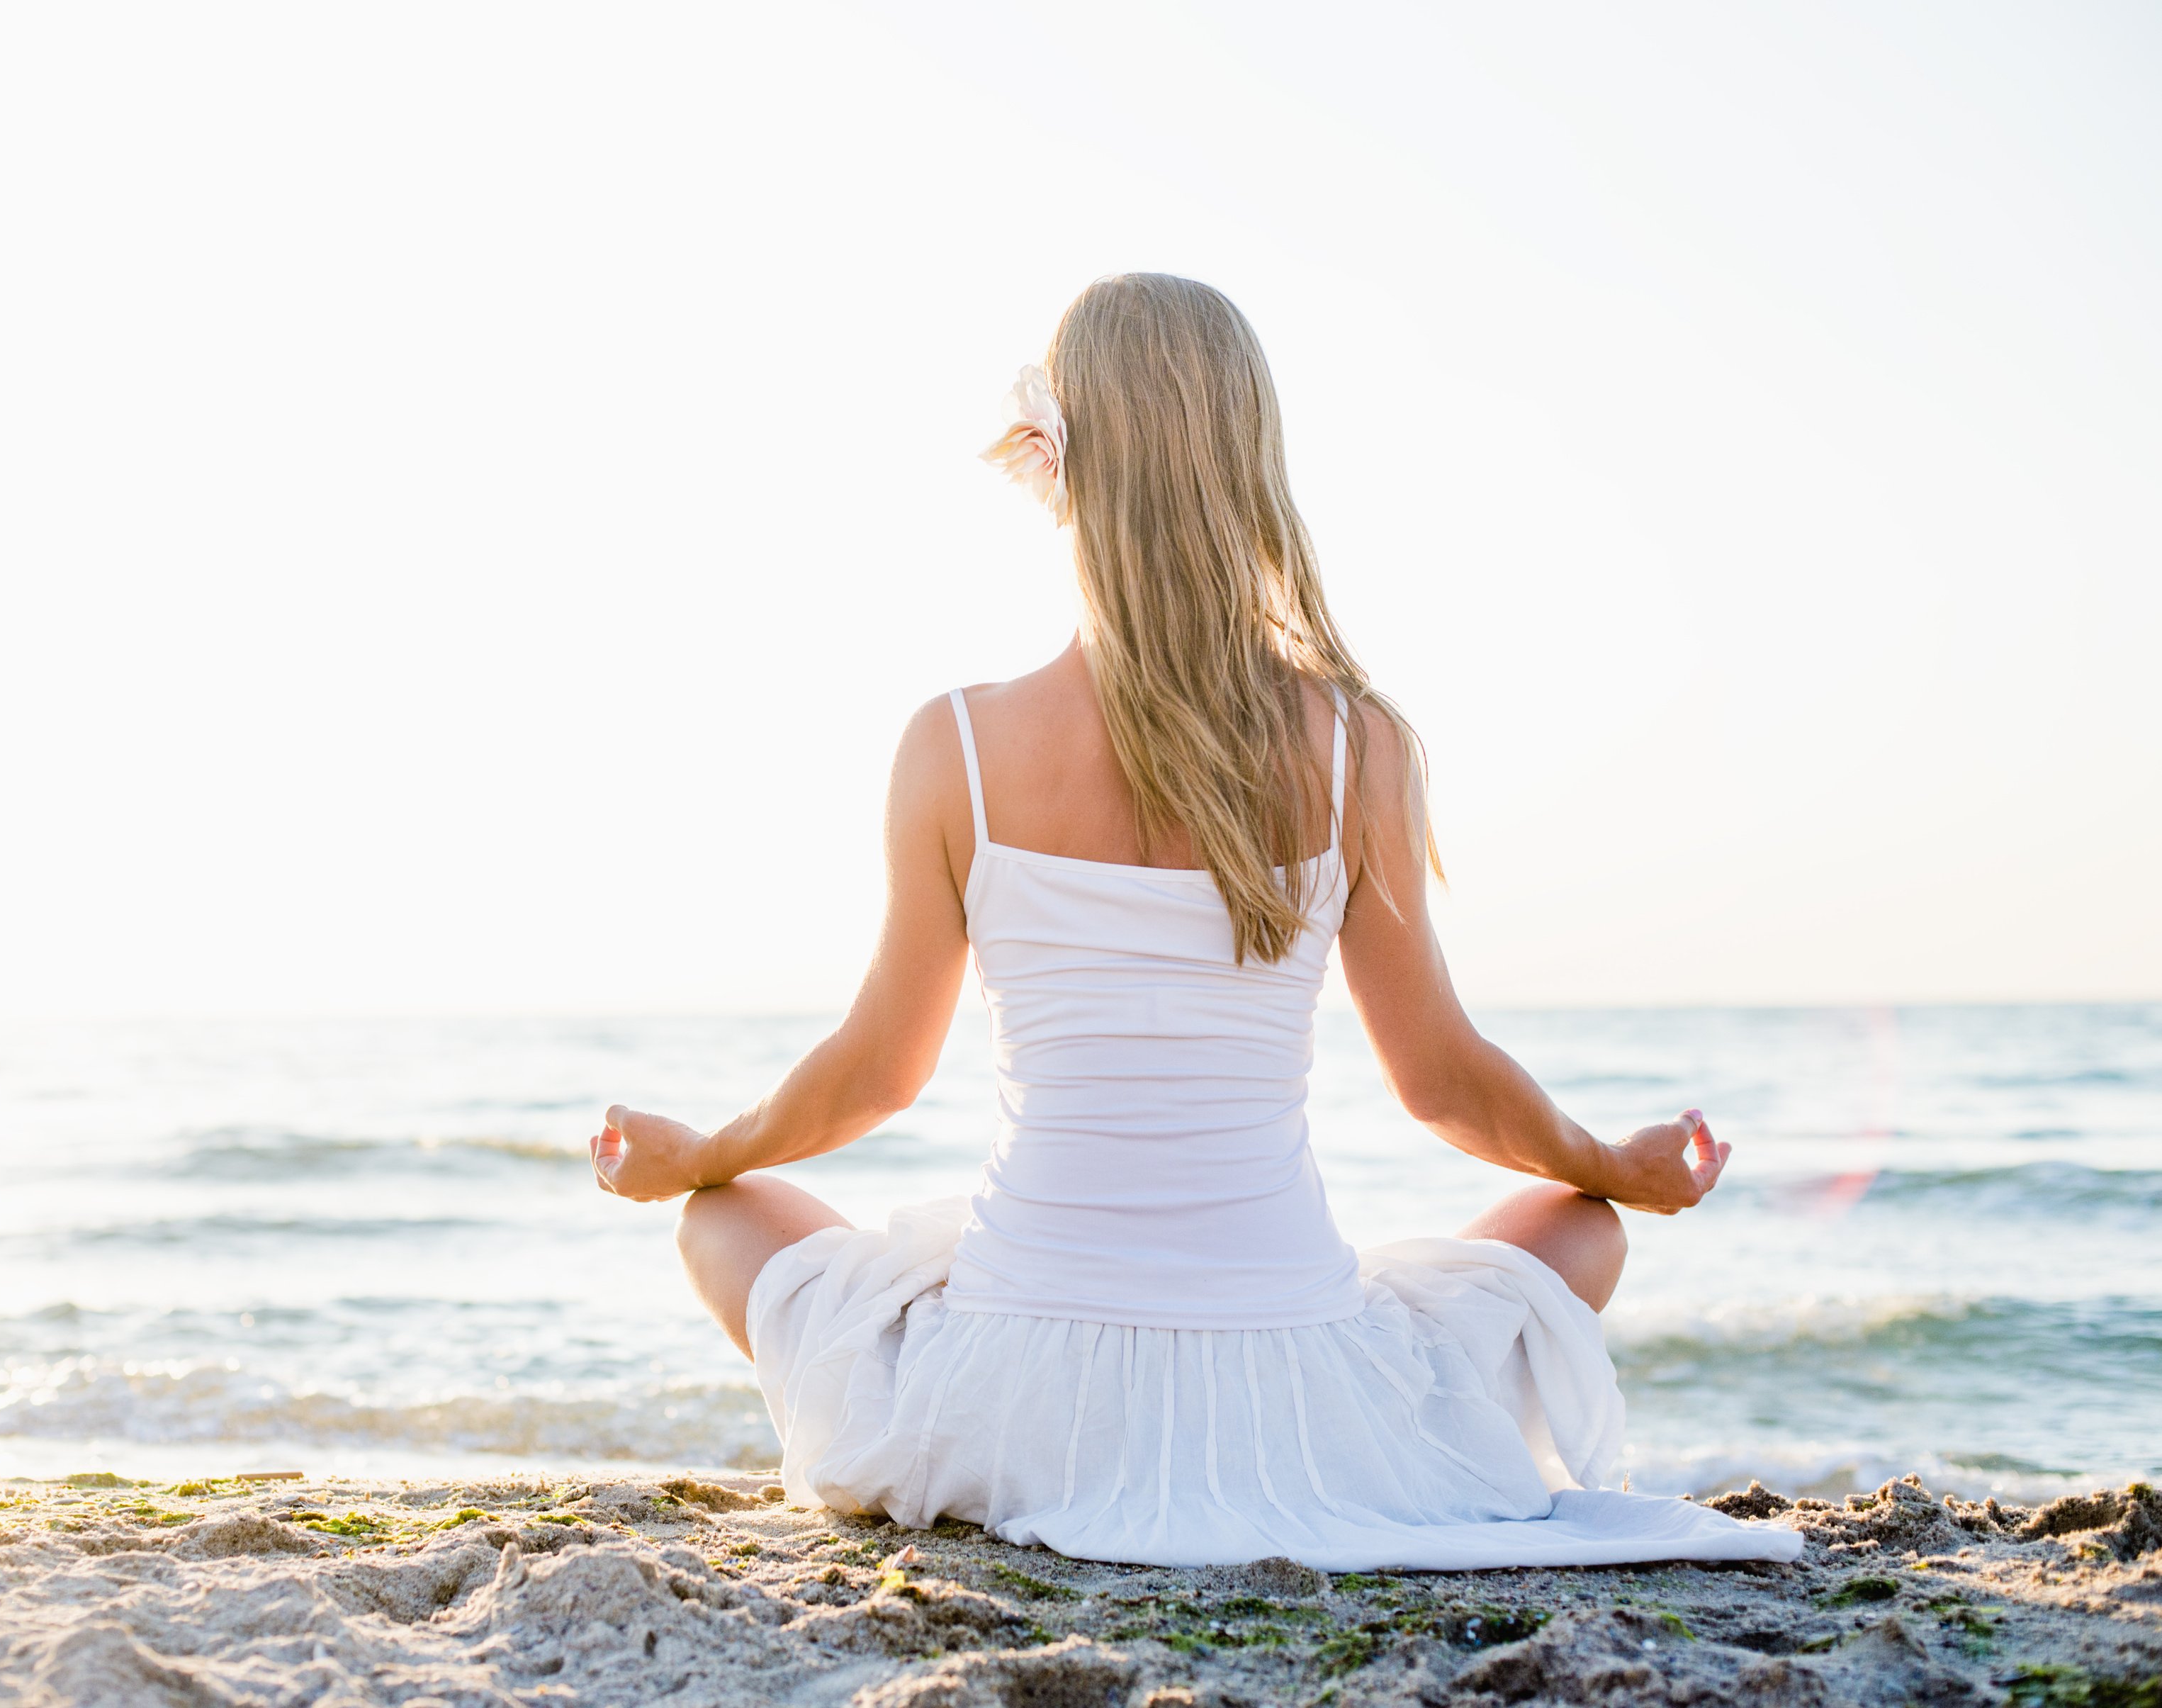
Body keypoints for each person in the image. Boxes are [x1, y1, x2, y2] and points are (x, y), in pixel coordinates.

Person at [587, 274, 1799, 1569]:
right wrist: (1611, 1166)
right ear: (1248, 457)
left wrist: (699, 1150)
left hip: (1014, 1390)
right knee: (1579, 1230)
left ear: (1054, 462)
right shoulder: (1355, 744)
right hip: (1297, 1388)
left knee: (719, 1216)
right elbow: (1443, 1085)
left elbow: (876, 1076)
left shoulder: (956, 746)